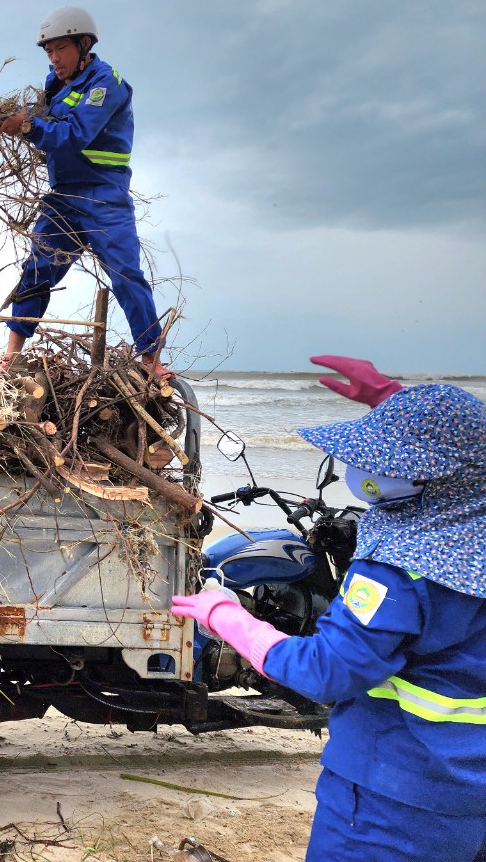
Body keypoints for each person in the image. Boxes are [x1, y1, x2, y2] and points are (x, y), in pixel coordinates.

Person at [172, 357, 486, 861]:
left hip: (392, 793)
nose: (358, 468)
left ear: (427, 479)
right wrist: (392, 399)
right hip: (466, 789)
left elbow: (324, 673)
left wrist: (226, 617)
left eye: (385, 460)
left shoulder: (400, 571)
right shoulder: (470, 525)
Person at [0, 6, 167, 377]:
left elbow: (74, 134)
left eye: (60, 48)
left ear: (83, 44)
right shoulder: (55, 84)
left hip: (104, 196)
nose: (54, 58)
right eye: (48, 51)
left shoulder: (106, 84)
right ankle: (11, 356)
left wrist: (26, 128)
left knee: (125, 275)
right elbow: (44, 114)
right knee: (36, 272)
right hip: (64, 197)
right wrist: (11, 116)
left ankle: (152, 362)